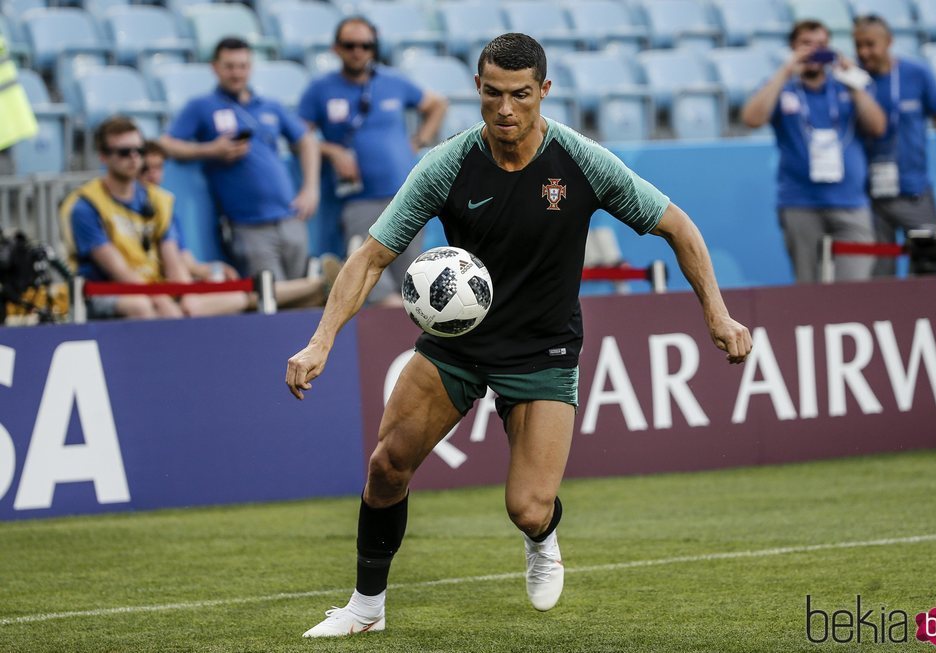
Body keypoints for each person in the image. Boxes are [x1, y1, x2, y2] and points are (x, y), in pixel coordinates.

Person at [285, 33, 753, 638]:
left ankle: (544, 536)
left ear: (544, 92)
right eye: (492, 94)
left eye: (521, 95)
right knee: (386, 466)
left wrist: (717, 314)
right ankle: (365, 608)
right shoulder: (447, 163)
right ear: (478, 90)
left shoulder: (582, 161)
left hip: (543, 348)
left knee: (527, 508)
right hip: (457, 344)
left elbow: (679, 228)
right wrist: (320, 340)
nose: (506, 109)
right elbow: (371, 257)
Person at [297, 17, 448, 307]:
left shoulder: (392, 81)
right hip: (359, 199)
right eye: (350, 45)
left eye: (366, 45)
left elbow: (437, 104)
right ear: (336, 48)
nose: (358, 51)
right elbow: (298, 136)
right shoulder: (320, 89)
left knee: (412, 276)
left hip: (406, 196)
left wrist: (418, 141)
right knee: (367, 273)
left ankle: (410, 342)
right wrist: (331, 151)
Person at [159, 37, 320, 281]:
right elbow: (166, 144)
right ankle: (323, 285)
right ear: (215, 68)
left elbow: (306, 140)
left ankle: (320, 286)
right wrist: (210, 150)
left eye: (242, 66)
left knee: (297, 292)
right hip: (248, 226)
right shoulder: (202, 106)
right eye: (230, 66)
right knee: (271, 296)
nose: (237, 73)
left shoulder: (270, 105)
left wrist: (310, 188)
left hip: (290, 217)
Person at [742, 20, 888, 283]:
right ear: (793, 48)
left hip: (851, 202)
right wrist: (785, 71)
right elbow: (752, 118)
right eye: (805, 45)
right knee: (808, 289)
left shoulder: (845, 86)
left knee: (854, 287)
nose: (813, 51)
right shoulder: (782, 87)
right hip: (800, 203)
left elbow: (877, 127)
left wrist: (853, 81)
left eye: (820, 45)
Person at [61, 116, 248, 319]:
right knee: (141, 306)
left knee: (235, 298)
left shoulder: (158, 200)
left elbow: (173, 261)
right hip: (106, 291)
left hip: (154, 288)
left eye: (139, 151)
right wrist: (160, 299)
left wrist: (186, 297)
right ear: (104, 157)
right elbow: (118, 270)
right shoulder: (86, 206)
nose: (134, 157)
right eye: (124, 152)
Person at [140, 140, 340, 309]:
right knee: (250, 295)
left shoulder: (163, 205)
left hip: (182, 289)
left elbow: (186, 261)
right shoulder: (135, 207)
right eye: (146, 169)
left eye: (158, 167)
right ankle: (319, 285)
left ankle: (318, 289)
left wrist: (212, 269)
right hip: (163, 295)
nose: (153, 175)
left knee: (249, 292)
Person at [853, 14, 936, 277]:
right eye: (858, 45)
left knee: (932, 271)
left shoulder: (917, 73)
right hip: (869, 198)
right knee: (878, 278)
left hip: (914, 192)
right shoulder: (854, 81)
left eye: (870, 44)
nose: (863, 52)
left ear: (889, 41)